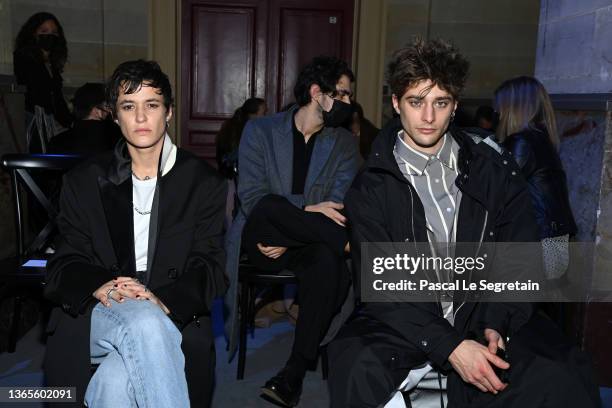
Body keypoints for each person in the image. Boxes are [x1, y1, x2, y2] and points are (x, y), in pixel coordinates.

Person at [328, 38, 559, 408]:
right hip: (408, 319)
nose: (429, 117)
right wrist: (449, 345)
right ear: (395, 103)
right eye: (416, 102)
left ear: (455, 106)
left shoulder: (493, 168)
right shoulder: (371, 185)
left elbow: (519, 255)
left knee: (560, 370)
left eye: (441, 102)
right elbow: (382, 286)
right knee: (355, 364)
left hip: (481, 310)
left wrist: (495, 319)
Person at [43, 60, 227, 408]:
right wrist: (101, 284)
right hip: (100, 307)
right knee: (145, 322)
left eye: (151, 105)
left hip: (167, 300)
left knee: (115, 379)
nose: (141, 118)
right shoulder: (84, 180)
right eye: (129, 106)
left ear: (169, 112)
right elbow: (63, 264)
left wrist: (163, 300)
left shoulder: (203, 183)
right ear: (115, 116)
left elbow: (212, 267)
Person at [224, 55, 360, 407]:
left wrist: (294, 224)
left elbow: (338, 204)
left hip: (312, 242)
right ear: (317, 92)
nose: (349, 103)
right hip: (262, 236)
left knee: (327, 264)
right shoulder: (261, 131)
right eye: (342, 95)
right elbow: (253, 197)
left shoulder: (343, 143)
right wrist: (305, 208)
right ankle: (355, 250)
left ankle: (293, 375)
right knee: (270, 206)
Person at [494, 76, 577, 281]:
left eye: (500, 106)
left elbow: (498, 191)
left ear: (514, 107)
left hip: (537, 241)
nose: (497, 112)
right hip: (554, 238)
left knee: (519, 306)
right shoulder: (541, 138)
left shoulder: (522, 142)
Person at [14, 12, 72, 151]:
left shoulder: (52, 65)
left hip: (51, 122)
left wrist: (69, 120)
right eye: (44, 31)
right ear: (33, 33)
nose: (50, 35)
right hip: (34, 121)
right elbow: (35, 91)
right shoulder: (24, 58)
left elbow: (56, 96)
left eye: (54, 32)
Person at [47, 82, 123, 155]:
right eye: (107, 106)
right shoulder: (117, 141)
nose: (110, 111)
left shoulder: (57, 141)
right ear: (96, 111)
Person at [215, 97, 267, 178]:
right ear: (253, 115)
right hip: (239, 177)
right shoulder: (250, 131)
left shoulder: (229, 126)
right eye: (264, 113)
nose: (266, 116)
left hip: (226, 175)